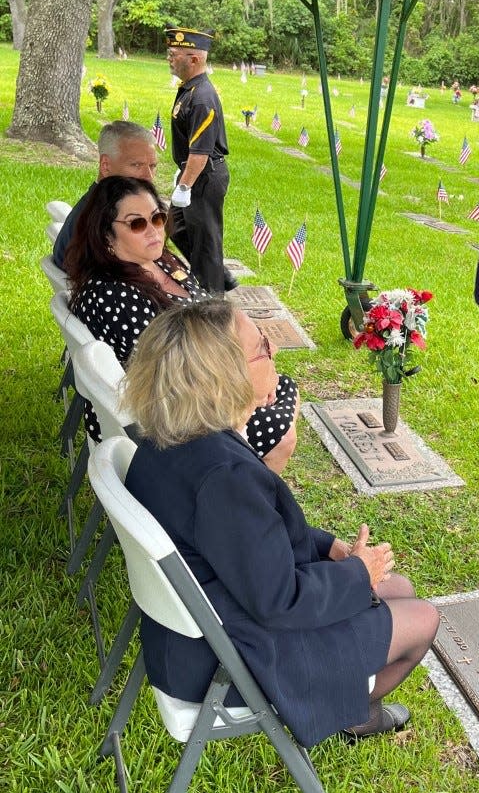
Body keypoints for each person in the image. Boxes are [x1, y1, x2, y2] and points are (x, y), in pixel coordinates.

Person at [122, 300, 440, 746]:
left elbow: (245, 541)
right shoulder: (223, 476)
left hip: (201, 630)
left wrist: (329, 548)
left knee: (399, 589)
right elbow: (281, 602)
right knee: (423, 618)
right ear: (223, 377)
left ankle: (352, 701)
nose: (274, 354)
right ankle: (353, 714)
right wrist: (357, 573)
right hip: (231, 659)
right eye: (264, 348)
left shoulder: (170, 438)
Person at [64, 176, 299, 473]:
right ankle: (245, 497)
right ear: (107, 235)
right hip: (164, 420)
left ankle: (248, 486)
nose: (153, 230)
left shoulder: (159, 262)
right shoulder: (114, 294)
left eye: (158, 218)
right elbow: (176, 372)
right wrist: (248, 377)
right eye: (137, 224)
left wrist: (257, 365)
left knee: (282, 386)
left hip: (192, 391)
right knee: (282, 431)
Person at [165, 25, 230, 294]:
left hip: (203, 176)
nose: (169, 58)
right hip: (192, 173)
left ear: (194, 59)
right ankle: (218, 276)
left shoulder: (202, 98)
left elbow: (200, 151)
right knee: (175, 227)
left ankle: (213, 299)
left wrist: (185, 185)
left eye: (174, 53)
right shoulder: (190, 89)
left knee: (205, 240)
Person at [53, 120, 158, 269]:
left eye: (152, 166)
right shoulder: (103, 224)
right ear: (105, 165)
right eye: (136, 165)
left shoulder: (98, 205)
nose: (149, 176)